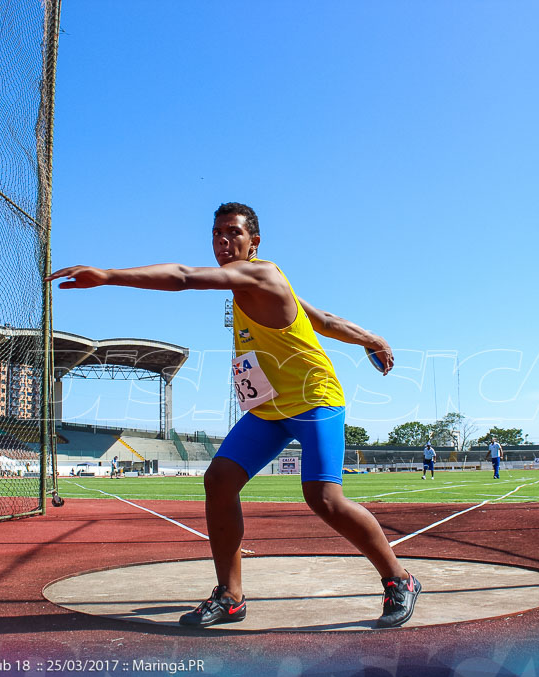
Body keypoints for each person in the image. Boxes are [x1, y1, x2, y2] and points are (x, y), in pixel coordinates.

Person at [47, 202, 421, 629]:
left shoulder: (262, 274)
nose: (223, 242)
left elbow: (186, 278)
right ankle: (230, 596)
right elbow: (321, 319)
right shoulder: (257, 287)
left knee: (324, 498)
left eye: (233, 234)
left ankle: (399, 579)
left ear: (253, 242)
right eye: (217, 234)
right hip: (269, 407)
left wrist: (110, 275)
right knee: (219, 480)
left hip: (314, 400)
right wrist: (370, 338)